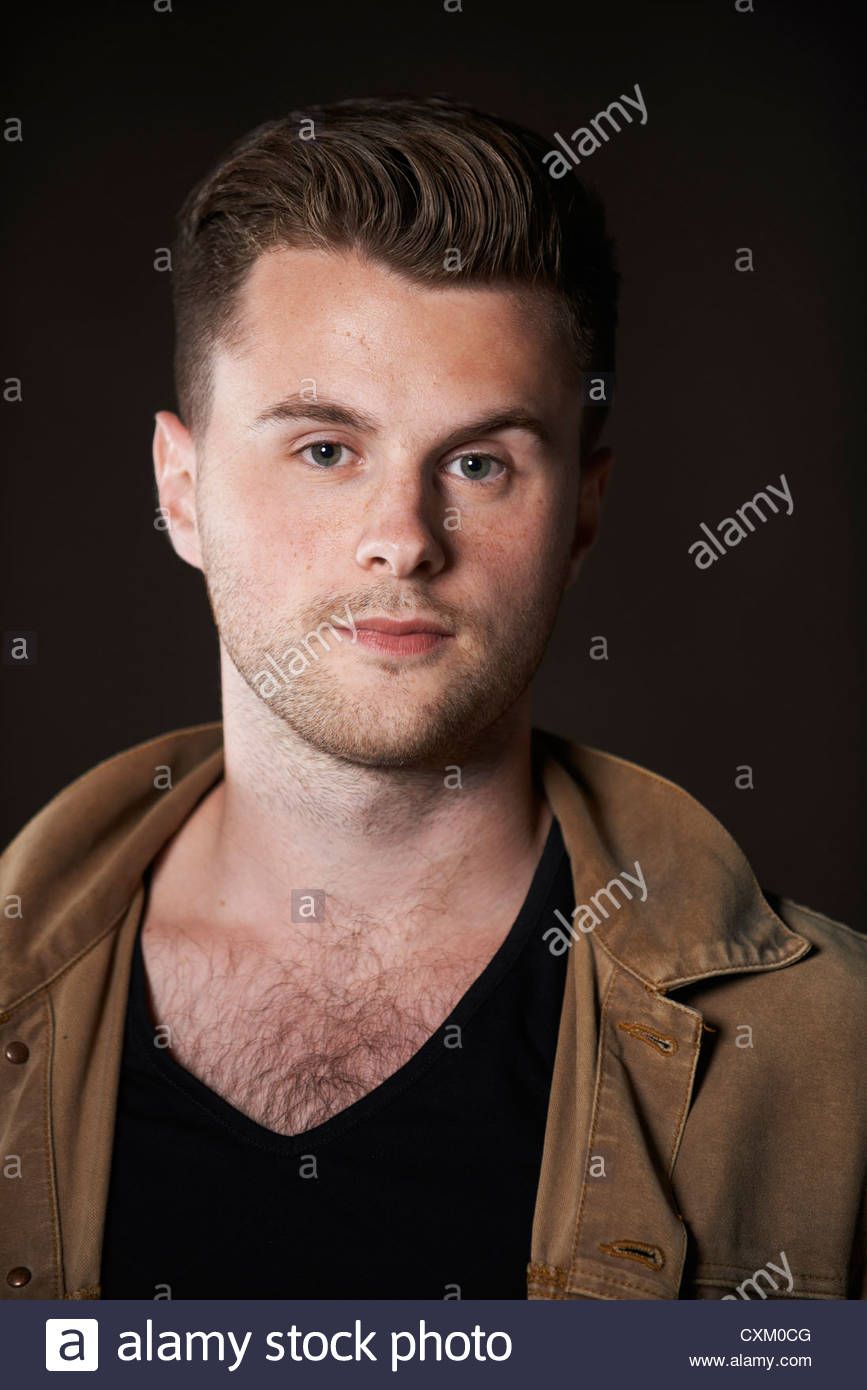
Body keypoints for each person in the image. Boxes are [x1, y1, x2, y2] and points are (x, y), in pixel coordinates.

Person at [1, 96, 864, 1302]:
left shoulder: (833, 1055)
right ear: (181, 491)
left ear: (583, 514)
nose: (404, 538)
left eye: (478, 463)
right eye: (325, 449)